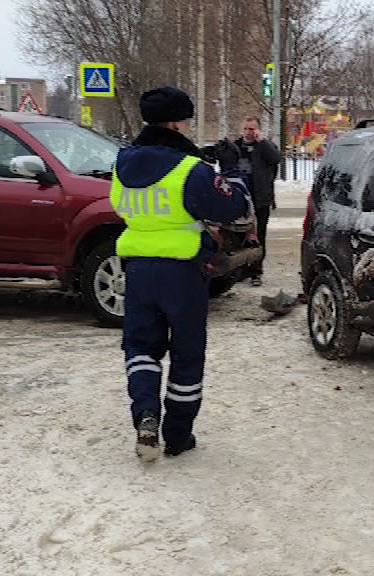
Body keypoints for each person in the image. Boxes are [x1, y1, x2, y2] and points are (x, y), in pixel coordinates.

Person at [111, 86, 251, 462]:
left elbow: (120, 208)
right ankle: (177, 435)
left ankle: (146, 413)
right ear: (175, 123)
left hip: (137, 269)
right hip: (183, 271)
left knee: (140, 347)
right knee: (186, 354)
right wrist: (232, 171)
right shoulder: (190, 169)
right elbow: (234, 209)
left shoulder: (121, 164)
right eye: (186, 121)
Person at [235, 116, 282, 286]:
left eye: (252, 129)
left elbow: (276, 159)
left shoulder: (265, 147)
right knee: (238, 235)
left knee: (259, 235)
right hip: (239, 198)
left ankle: (256, 271)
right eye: (246, 128)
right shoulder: (236, 146)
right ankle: (240, 270)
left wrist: (262, 142)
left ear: (258, 130)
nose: (248, 132)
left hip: (260, 198)